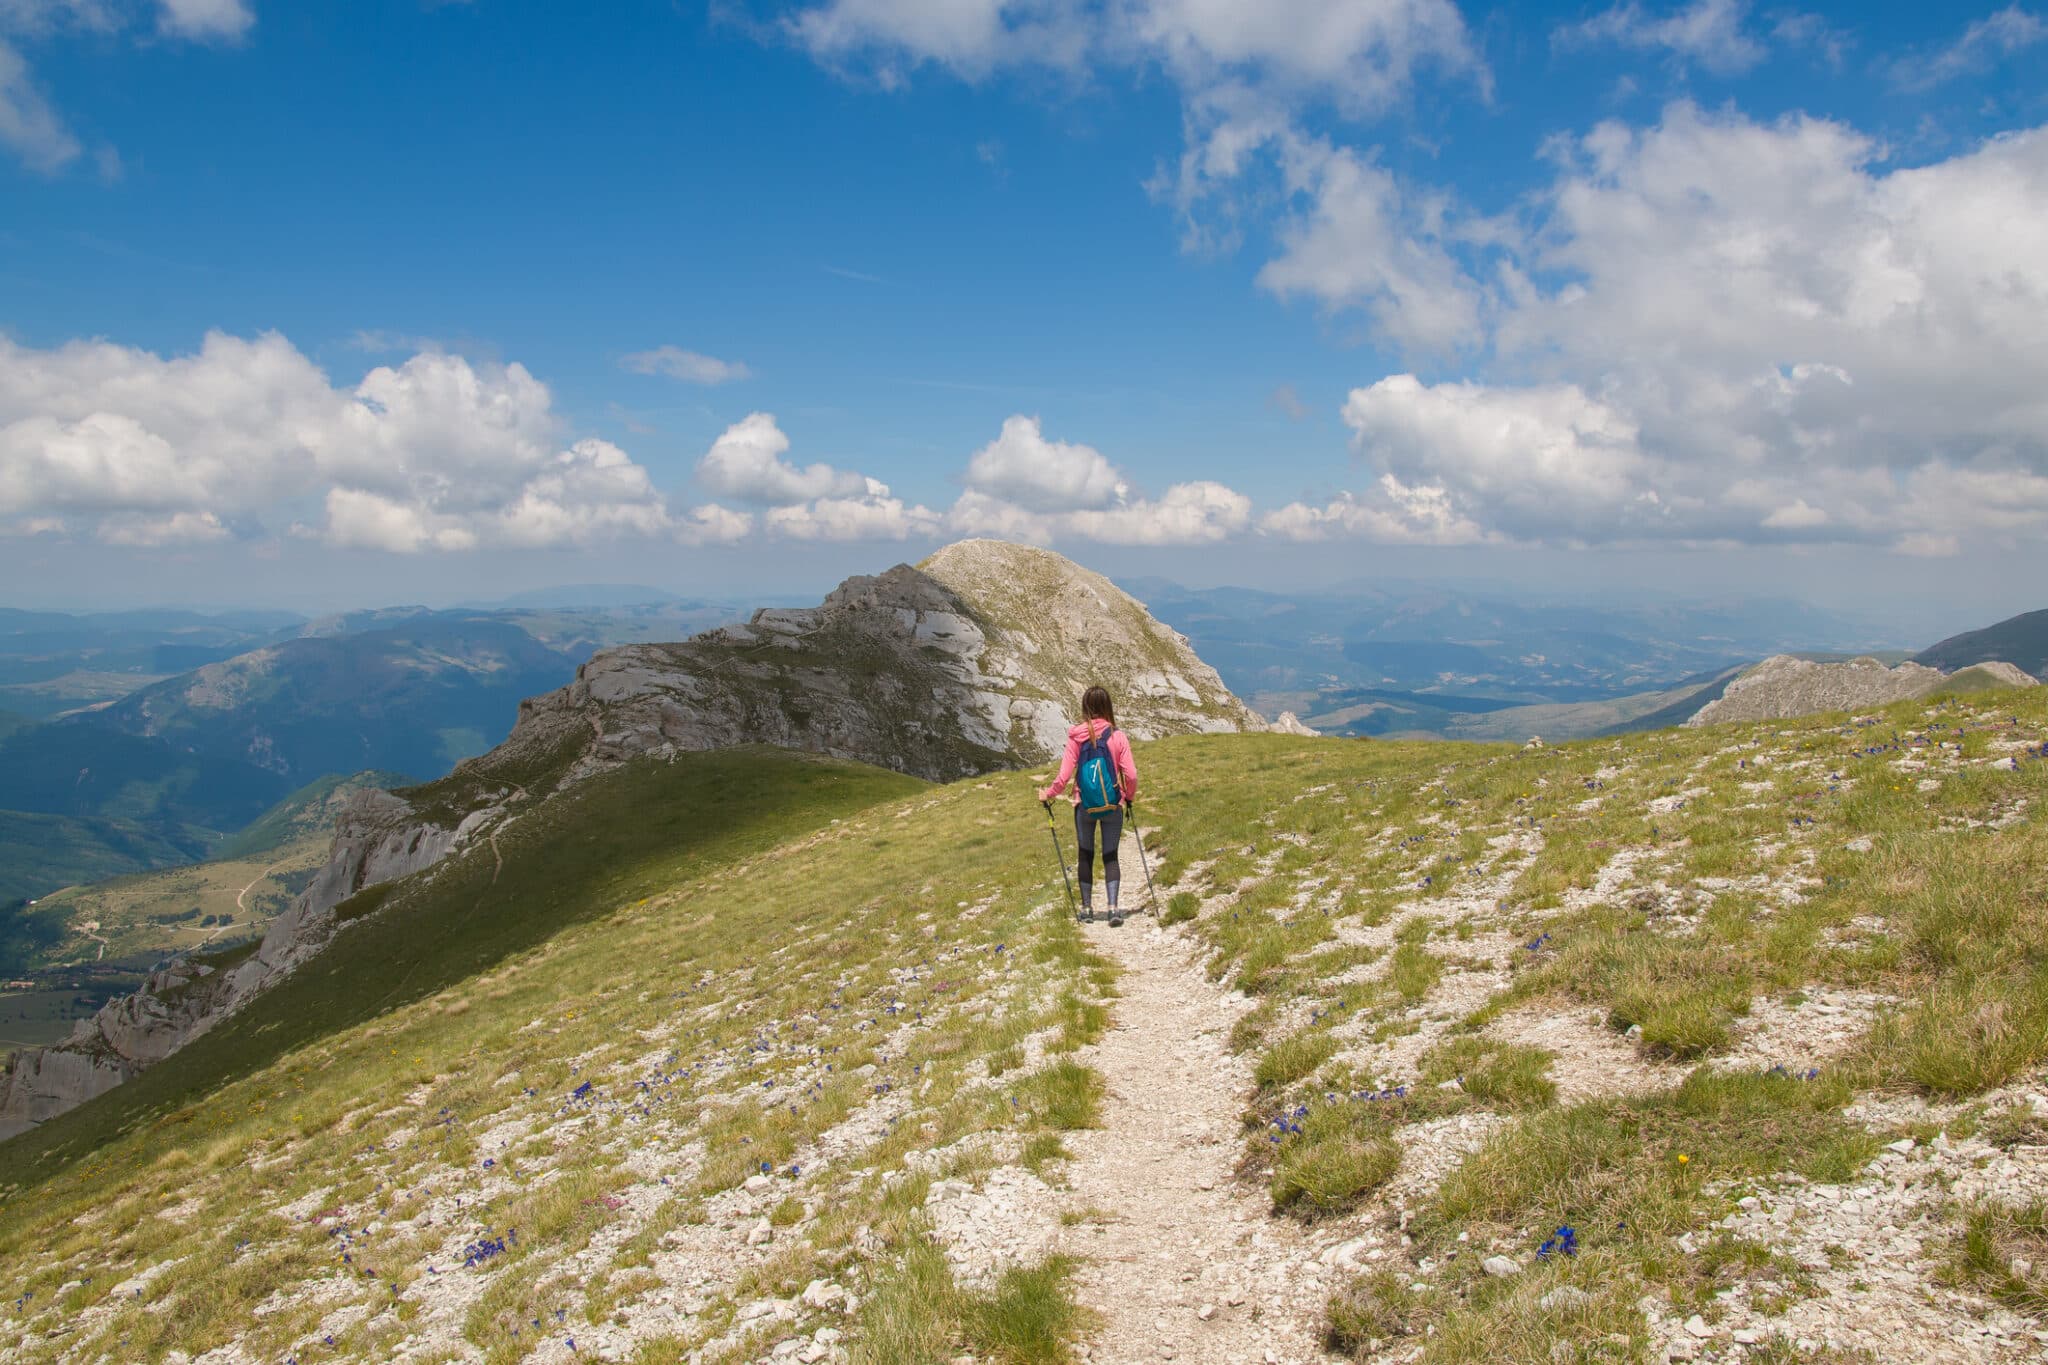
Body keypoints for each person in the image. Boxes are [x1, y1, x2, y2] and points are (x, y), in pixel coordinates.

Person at [1040, 685, 1140, 926]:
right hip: (1112, 805)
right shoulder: (1118, 736)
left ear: (1085, 707)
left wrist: (1048, 793)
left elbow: (1063, 776)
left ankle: (1086, 909)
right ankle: (1113, 908)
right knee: (1110, 855)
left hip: (1083, 804)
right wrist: (1128, 796)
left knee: (1085, 854)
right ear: (1108, 707)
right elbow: (1132, 774)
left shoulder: (1076, 736)